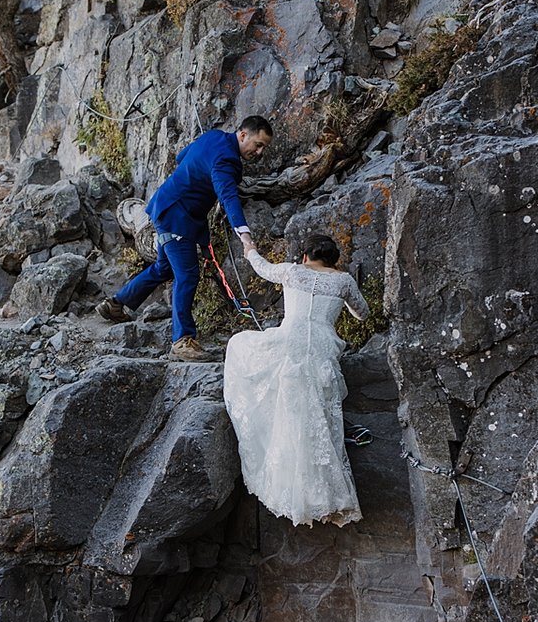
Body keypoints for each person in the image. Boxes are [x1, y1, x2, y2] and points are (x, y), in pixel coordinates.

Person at [96, 115, 274, 359]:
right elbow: (228, 197)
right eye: (258, 144)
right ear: (243, 135)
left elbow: (182, 156)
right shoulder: (227, 160)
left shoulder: (214, 136)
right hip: (177, 218)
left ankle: (115, 304)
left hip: (166, 208)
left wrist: (197, 175)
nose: (260, 152)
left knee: (164, 268)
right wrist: (245, 237)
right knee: (187, 275)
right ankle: (182, 340)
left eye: (264, 147)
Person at [223, 233, 369, 527]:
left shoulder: (293, 271)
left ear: (305, 256)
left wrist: (249, 247)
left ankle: (295, 491)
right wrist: (346, 303)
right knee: (320, 420)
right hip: (322, 352)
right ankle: (329, 497)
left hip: (288, 346)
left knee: (240, 348)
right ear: (333, 260)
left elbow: (261, 268)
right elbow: (362, 314)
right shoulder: (343, 281)